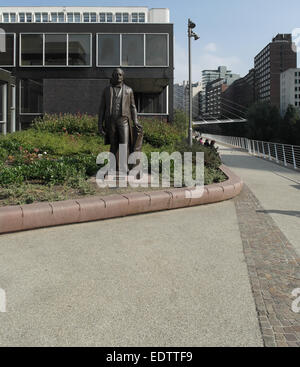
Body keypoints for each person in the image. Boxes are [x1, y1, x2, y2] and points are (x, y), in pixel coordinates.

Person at [98, 68, 143, 174]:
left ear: (123, 77)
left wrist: (135, 120)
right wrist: (100, 124)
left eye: (120, 75)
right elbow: (102, 108)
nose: (118, 76)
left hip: (124, 120)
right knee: (113, 144)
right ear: (113, 76)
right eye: (116, 74)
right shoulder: (106, 90)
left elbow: (133, 107)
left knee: (124, 143)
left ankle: (124, 167)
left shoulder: (129, 90)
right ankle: (112, 167)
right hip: (110, 120)